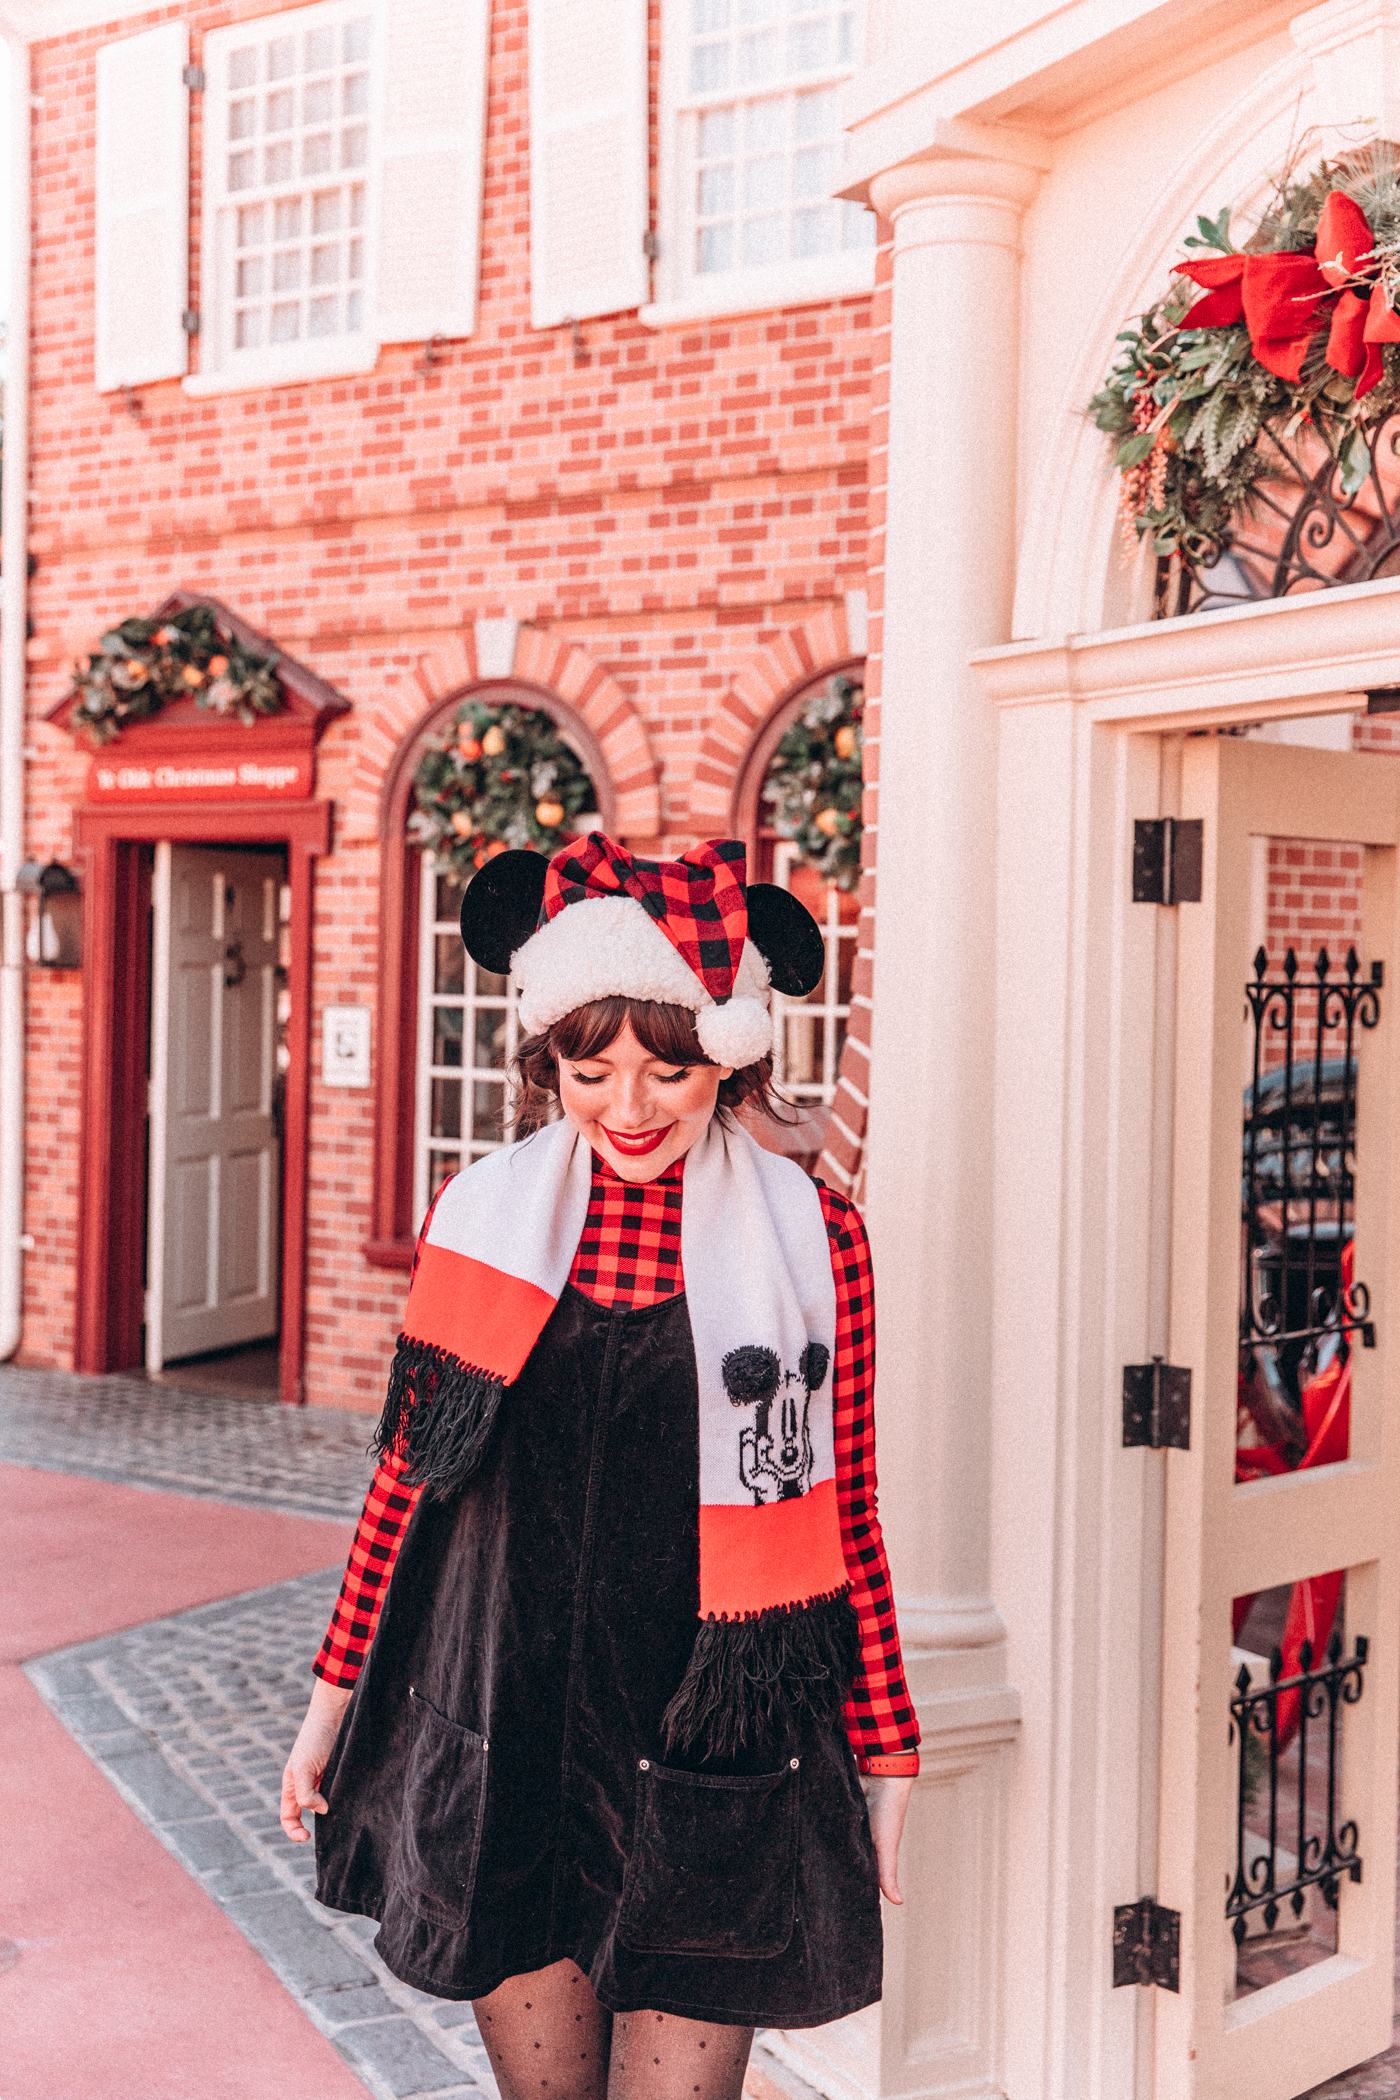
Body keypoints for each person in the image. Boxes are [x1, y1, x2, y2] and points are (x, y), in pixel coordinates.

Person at [281, 834, 920, 2100]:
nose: (627, 1108)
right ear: (547, 1061)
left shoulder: (813, 1239)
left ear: (724, 1060)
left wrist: (886, 1754)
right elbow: (404, 1494)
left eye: (667, 1068)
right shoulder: (480, 1218)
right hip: (504, 1728)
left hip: (711, 1739)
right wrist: (328, 1706)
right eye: (590, 1068)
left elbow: (840, 1506)